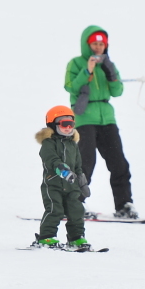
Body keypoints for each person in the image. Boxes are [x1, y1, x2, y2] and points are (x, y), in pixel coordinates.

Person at [64, 25, 138, 219]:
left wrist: (111, 73)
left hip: (107, 117)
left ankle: (124, 205)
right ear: (87, 45)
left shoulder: (108, 64)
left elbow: (117, 91)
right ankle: (74, 204)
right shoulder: (76, 63)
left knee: (119, 163)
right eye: (95, 44)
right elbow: (71, 88)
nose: (98, 47)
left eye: (101, 44)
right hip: (84, 118)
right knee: (85, 163)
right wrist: (87, 70)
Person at [32, 105, 92, 250]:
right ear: (53, 124)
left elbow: (78, 165)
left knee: (76, 210)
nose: (68, 127)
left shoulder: (73, 144)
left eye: (71, 124)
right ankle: (46, 237)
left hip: (72, 185)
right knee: (55, 210)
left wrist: (82, 181)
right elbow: (51, 160)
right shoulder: (48, 143)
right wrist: (62, 169)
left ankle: (76, 238)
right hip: (53, 184)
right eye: (64, 124)